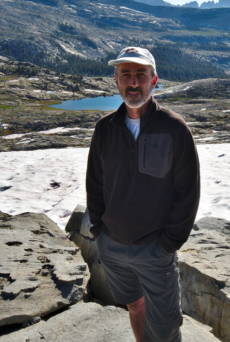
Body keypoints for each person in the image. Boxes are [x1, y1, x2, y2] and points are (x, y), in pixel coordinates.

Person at [86, 47, 201, 342]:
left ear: (154, 80)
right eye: (126, 75)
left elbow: (187, 192)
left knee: (165, 328)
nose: (133, 82)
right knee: (135, 306)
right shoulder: (105, 129)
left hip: (155, 250)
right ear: (116, 80)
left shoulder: (175, 129)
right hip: (112, 246)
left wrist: (167, 244)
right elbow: (95, 185)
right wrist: (100, 231)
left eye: (141, 75)